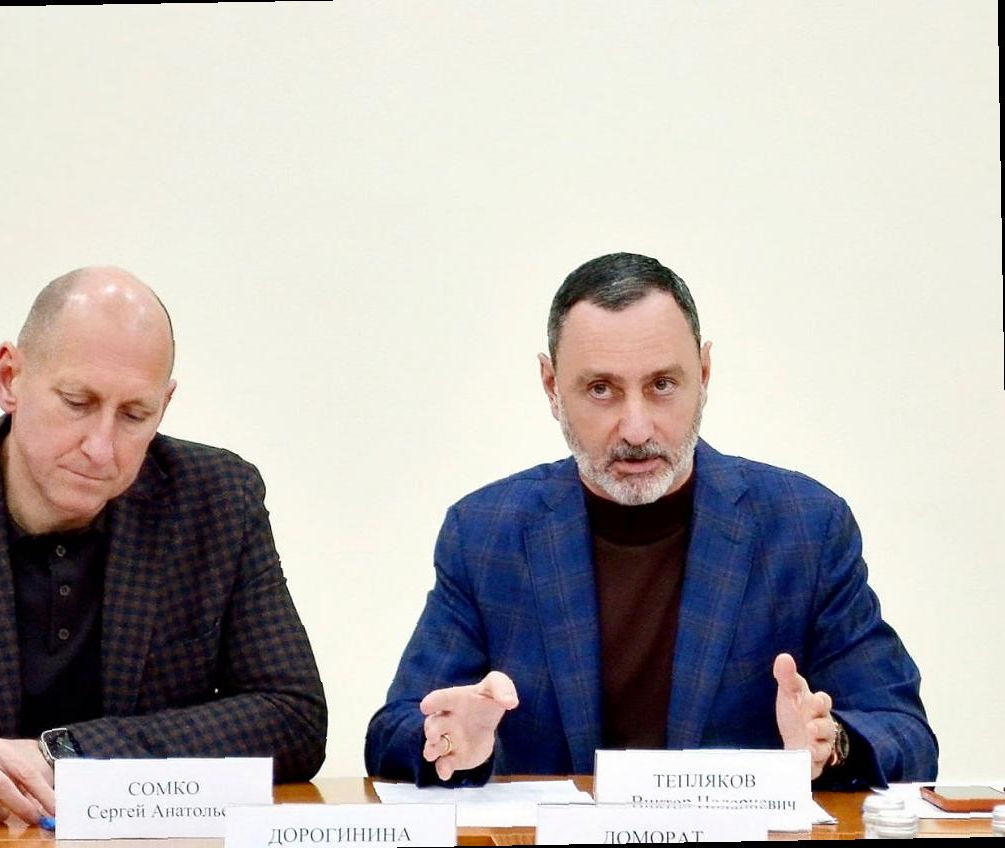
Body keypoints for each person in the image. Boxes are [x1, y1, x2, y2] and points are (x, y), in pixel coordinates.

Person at [364, 252, 937, 789]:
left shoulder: (806, 527)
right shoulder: (485, 533)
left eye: (662, 385)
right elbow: (392, 734)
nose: (636, 429)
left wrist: (830, 744)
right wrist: (450, 739)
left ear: (704, 373)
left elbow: (905, 733)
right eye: (601, 390)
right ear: (551, 387)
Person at [0, 267, 327, 825]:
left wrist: (66, 754)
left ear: (165, 406)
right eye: (77, 402)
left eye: (135, 415)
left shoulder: (216, 499)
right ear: (9, 378)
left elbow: (291, 716)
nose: (101, 447)